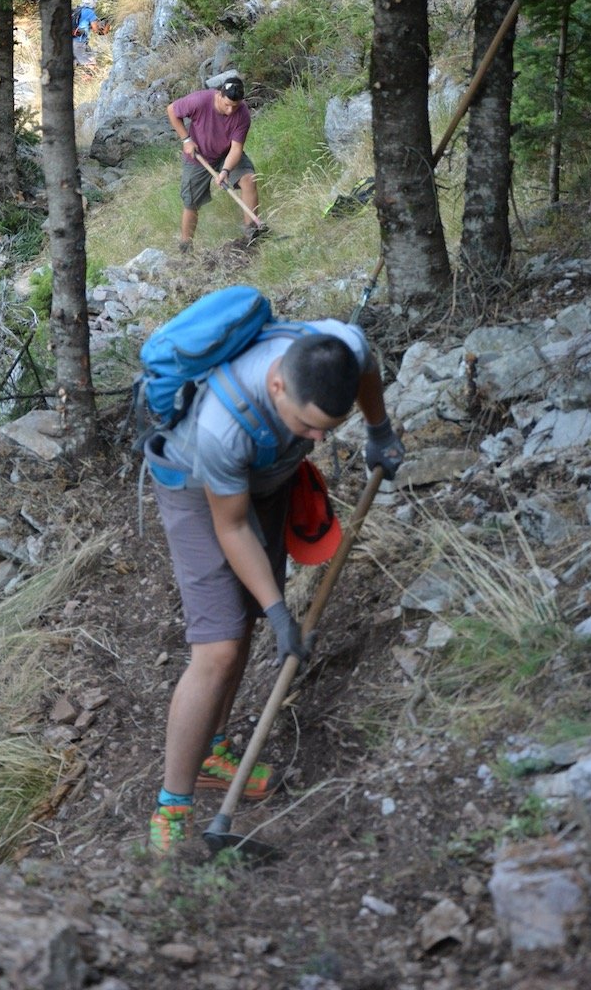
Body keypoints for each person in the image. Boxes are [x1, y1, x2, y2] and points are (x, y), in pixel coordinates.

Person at [143, 316, 405, 854]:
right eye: (308, 426)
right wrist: (280, 611)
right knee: (217, 646)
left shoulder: (341, 349)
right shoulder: (223, 424)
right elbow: (231, 526)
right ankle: (172, 807)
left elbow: (367, 365)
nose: (317, 439)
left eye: (328, 429)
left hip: (262, 479)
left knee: (240, 627)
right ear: (278, 385)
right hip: (199, 489)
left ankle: (214, 753)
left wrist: (379, 429)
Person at [166, 77, 266, 252]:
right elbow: (172, 110)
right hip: (198, 156)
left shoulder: (242, 115)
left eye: (234, 106)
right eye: (227, 105)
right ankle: (185, 246)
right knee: (191, 202)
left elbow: (236, 149)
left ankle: (252, 233)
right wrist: (186, 140)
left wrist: (226, 171)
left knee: (249, 179)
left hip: (226, 153)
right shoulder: (200, 101)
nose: (230, 110)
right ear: (219, 95)